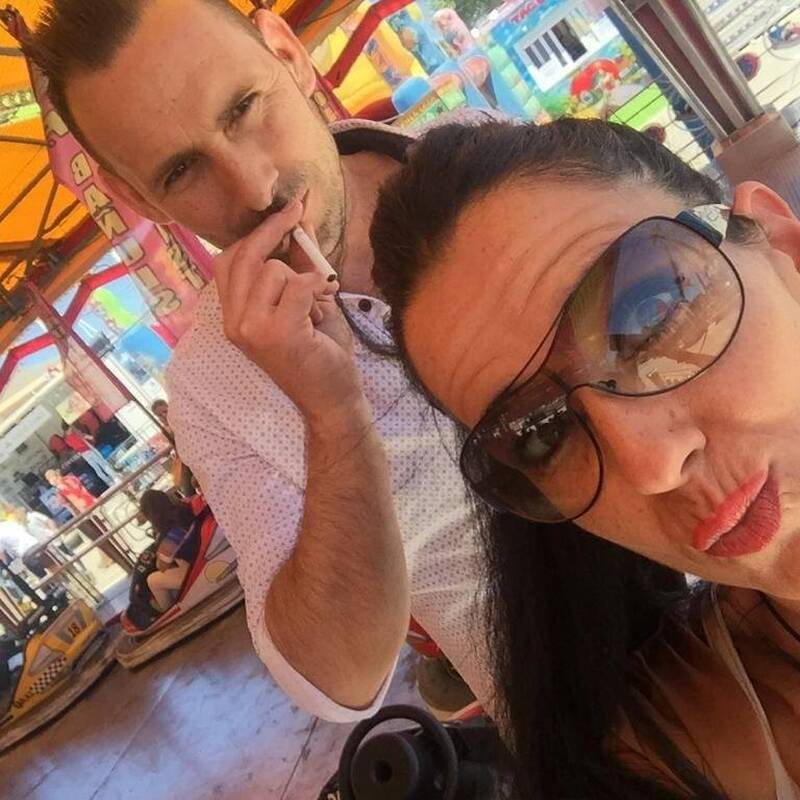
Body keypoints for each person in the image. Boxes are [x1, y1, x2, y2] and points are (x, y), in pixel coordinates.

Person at [28, 0, 492, 721]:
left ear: (287, 52)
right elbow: (340, 680)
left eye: (243, 107)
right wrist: (332, 415)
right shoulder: (208, 390)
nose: (254, 188)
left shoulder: (492, 155)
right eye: (183, 170)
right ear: (132, 195)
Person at [369, 119, 800, 798]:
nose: (651, 465)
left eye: (651, 315)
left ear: (780, 243)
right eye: (541, 436)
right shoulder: (672, 753)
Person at [139, 490, 201, 612]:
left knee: (152, 580)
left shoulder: (171, 533)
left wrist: (159, 552)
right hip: (199, 557)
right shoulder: (183, 511)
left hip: (194, 571)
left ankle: (169, 612)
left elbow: (161, 566)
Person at [61, 418, 118, 485]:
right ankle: (115, 476)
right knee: (102, 463)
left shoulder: (66, 439)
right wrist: (90, 437)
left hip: (83, 454)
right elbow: (84, 436)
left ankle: (108, 482)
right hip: (88, 449)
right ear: (69, 427)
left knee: (96, 468)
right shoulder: (74, 434)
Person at [0, 512, 47, 579]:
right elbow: (23, 530)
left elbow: (2, 554)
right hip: (37, 544)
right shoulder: (9, 523)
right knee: (50, 563)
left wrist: (7, 569)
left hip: (27, 553)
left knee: (41, 575)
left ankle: (45, 579)